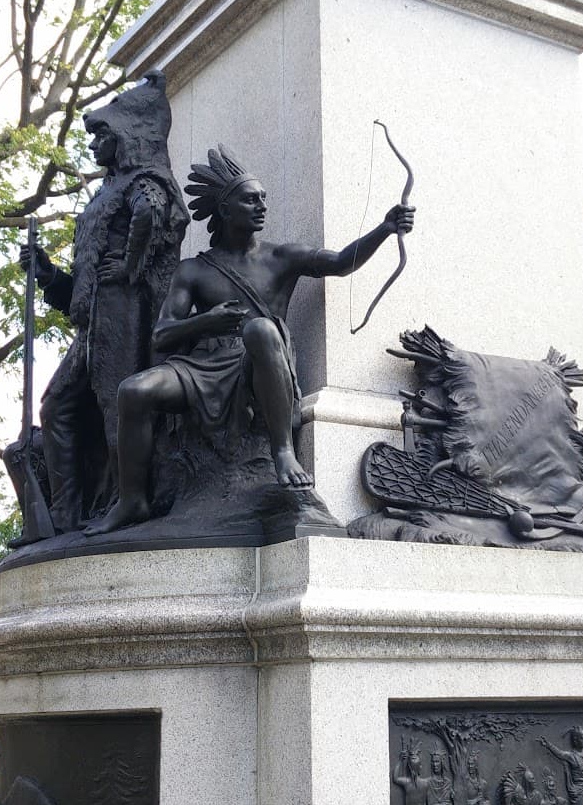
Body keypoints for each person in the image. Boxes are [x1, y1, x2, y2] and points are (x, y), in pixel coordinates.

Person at [87, 145, 415, 533]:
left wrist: (385, 227)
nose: (262, 206)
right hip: (204, 363)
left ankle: (283, 451)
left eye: (263, 198)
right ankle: (132, 500)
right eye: (250, 200)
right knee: (133, 390)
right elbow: (162, 335)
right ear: (225, 210)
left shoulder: (282, 257)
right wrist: (206, 321)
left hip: (259, 357)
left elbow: (342, 263)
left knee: (260, 328)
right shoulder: (194, 270)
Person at [13, 75, 189, 533]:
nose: (93, 145)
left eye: (101, 136)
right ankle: (65, 513)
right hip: (94, 319)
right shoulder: (110, 188)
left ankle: (131, 500)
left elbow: (153, 211)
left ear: (125, 137)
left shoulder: (145, 179)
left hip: (124, 312)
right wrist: (49, 273)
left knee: (117, 404)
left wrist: (131, 266)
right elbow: (85, 285)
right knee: (56, 405)